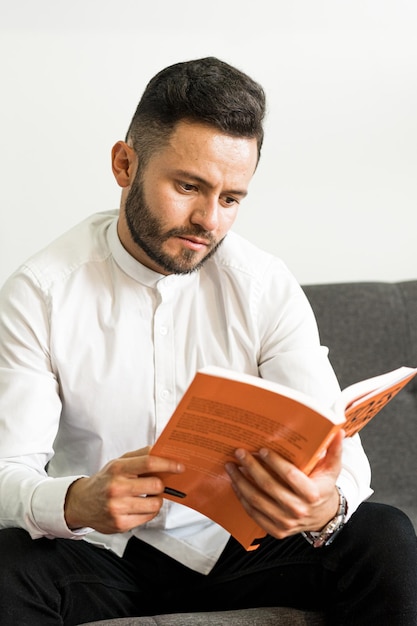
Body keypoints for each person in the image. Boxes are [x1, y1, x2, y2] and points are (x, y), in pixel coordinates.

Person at [0, 56, 416, 626]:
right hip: (102, 552)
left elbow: (344, 461)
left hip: (244, 547)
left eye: (231, 198)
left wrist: (323, 504)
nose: (208, 221)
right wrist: (77, 501)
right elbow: (7, 469)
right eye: (188, 186)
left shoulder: (265, 286)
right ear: (125, 164)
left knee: (384, 533)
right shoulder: (40, 292)